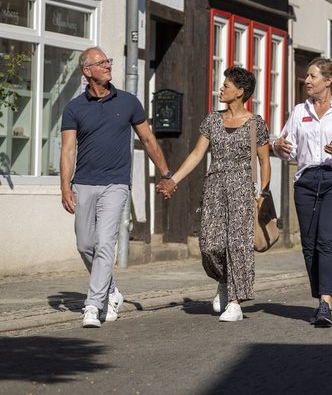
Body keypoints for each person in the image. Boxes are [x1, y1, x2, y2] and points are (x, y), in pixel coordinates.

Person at [60, 47, 173, 328]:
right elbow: (68, 149)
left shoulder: (129, 102)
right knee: (85, 244)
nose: (108, 66)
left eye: (108, 61)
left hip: (116, 183)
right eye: (102, 63)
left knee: (105, 242)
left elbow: (148, 140)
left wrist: (166, 173)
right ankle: (111, 291)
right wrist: (65, 186)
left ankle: (92, 305)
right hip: (84, 182)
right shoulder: (74, 107)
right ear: (87, 71)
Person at [156, 66, 270, 322]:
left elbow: (265, 161)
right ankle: (224, 280)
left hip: (243, 188)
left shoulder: (256, 124)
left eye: (226, 85)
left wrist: (263, 192)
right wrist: (173, 180)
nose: (221, 88)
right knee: (210, 245)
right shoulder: (212, 120)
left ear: (240, 92)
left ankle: (235, 302)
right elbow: (197, 154)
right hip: (215, 186)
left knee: (238, 245)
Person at [272, 58, 332, 328]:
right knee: (309, 244)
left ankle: (325, 302)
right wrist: (278, 145)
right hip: (305, 180)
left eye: (313, 76)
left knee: (328, 241)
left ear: (328, 81)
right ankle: (320, 294)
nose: (307, 80)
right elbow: (287, 149)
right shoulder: (299, 111)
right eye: (307, 76)